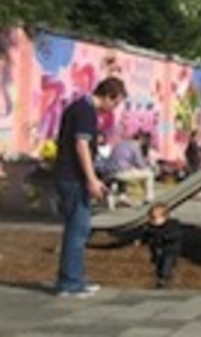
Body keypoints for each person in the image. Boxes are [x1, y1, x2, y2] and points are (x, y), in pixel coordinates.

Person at [52, 76, 127, 297]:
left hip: (71, 176)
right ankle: (69, 283)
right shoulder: (85, 112)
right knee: (78, 229)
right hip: (73, 178)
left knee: (79, 229)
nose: (113, 109)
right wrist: (91, 179)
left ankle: (75, 278)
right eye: (115, 103)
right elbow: (81, 145)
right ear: (107, 96)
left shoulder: (79, 108)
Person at [138, 202, 183, 289]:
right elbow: (147, 235)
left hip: (170, 250)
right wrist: (141, 241)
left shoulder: (171, 225)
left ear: (165, 217)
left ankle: (165, 278)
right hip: (157, 250)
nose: (152, 221)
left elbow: (176, 234)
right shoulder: (151, 227)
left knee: (167, 264)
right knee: (159, 265)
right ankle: (160, 278)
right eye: (151, 218)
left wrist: (167, 237)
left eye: (155, 218)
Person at [107, 131, 156, 207]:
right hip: (122, 172)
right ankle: (149, 198)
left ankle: (122, 198)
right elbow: (140, 164)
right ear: (142, 139)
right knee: (150, 174)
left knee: (126, 174)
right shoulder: (135, 146)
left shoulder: (121, 143)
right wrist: (149, 165)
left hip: (110, 172)